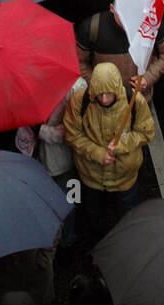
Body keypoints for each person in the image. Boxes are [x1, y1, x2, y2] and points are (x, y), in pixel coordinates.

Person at [64, 62, 155, 243]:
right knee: (93, 214)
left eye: (109, 94)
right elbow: (72, 135)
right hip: (91, 176)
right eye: (100, 94)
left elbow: (146, 133)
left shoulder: (134, 101)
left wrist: (122, 145)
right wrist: (98, 153)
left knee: (126, 213)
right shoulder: (80, 102)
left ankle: (123, 242)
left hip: (125, 177)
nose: (104, 99)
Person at [75, 2, 164, 104]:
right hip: (104, 103)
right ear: (112, 8)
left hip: (139, 101)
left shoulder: (152, 23)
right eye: (123, 14)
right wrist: (97, 85)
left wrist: (148, 78)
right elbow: (79, 61)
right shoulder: (91, 28)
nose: (128, 21)